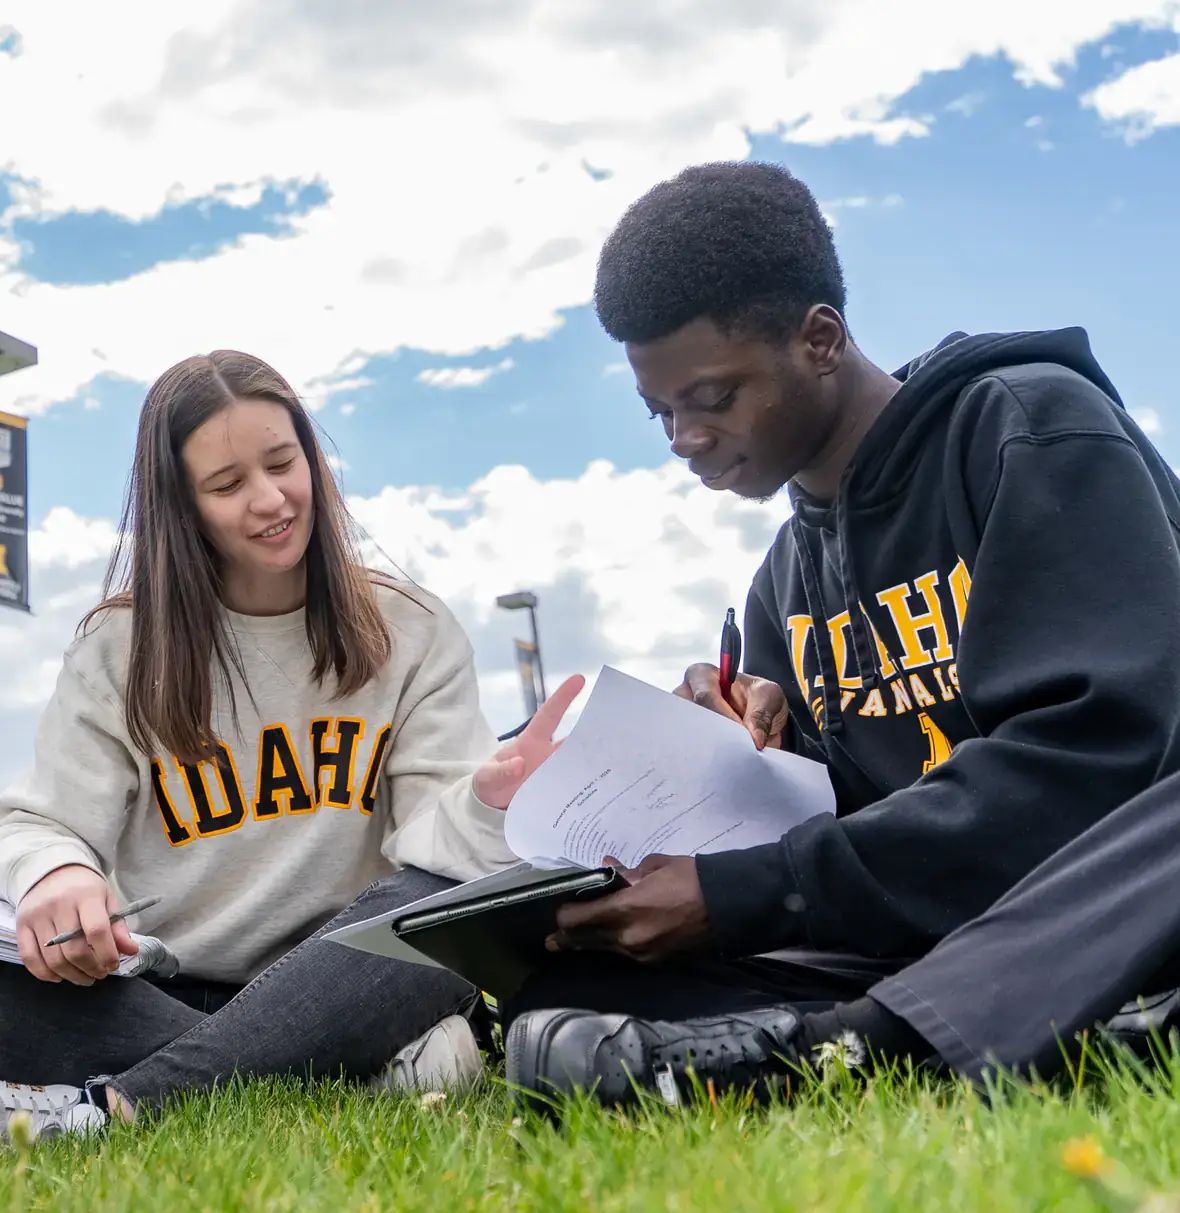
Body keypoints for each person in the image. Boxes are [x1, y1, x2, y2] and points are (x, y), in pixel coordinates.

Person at [495, 160, 1180, 1105]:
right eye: (662, 412)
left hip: (1118, 885)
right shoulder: (784, 579)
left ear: (820, 340)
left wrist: (747, 890)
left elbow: (1099, 762)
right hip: (949, 935)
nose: (684, 438)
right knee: (573, 984)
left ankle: (846, 1049)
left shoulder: (1027, 428)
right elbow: (838, 832)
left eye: (713, 398)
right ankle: (1059, 1022)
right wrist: (738, 761)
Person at [0, 350, 577, 1138]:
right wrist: (56, 872)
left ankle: (97, 1112)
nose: (270, 499)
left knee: (433, 915)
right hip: (166, 990)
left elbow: (436, 853)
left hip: (350, 975)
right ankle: (356, 1075)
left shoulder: (411, 630)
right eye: (227, 483)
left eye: (283, 463)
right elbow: (32, 824)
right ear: (183, 506)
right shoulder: (119, 649)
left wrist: (489, 803)